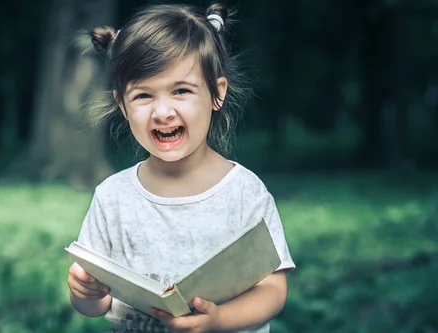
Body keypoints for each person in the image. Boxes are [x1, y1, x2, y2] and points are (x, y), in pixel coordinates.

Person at [67, 3, 295, 333]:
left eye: (181, 91)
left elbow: (273, 291)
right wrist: (85, 292)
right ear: (122, 104)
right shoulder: (112, 197)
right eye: (144, 95)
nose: (162, 112)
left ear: (217, 93)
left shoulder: (244, 192)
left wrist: (220, 320)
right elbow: (95, 304)